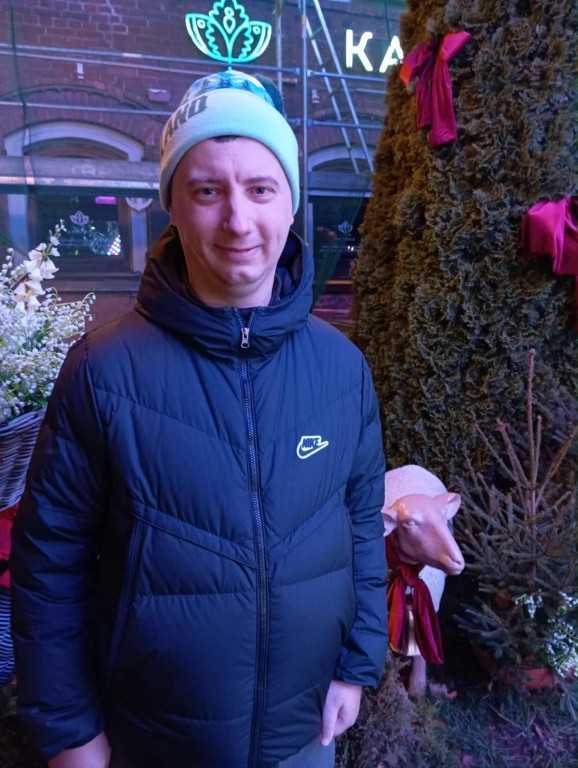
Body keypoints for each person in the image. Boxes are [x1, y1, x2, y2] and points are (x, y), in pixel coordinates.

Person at [10, 70, 387, 768]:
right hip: (150, 740)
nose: (238, 220)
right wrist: (68, 729)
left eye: (261, 189)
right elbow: (50, 563)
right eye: (208, 190)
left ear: (291, 203)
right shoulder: (103, 371)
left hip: (303, 736)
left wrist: (357, 664)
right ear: (173, 209)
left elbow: (361, 525)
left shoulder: (342, 370)